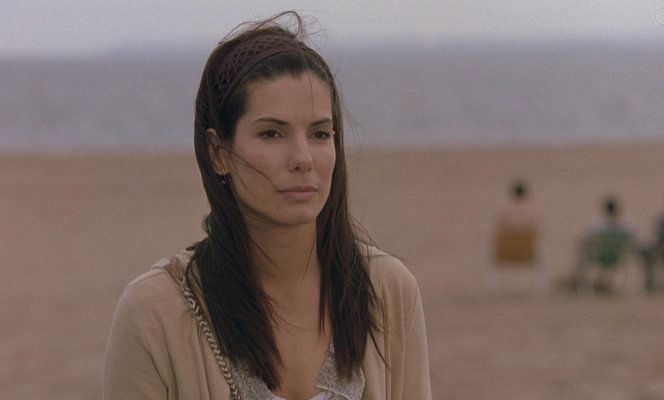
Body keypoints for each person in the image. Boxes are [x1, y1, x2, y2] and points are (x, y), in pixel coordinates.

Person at [103, 12, 431, 400]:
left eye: (320, 134)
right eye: (272, 133)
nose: (303, 158)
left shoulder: (387, 292)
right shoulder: (154, 313)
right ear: (218, 152)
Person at [573, 196, 634, 293]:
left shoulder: (597, 225)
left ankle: (582, 286)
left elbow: (584, 240)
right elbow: (633, 240)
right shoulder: (626, 226)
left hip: (599, 257)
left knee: (582, 254)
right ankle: (605, 284)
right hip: (618, 258)